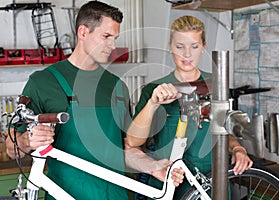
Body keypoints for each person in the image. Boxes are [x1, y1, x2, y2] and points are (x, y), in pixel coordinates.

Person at [6, 1, 183, 199]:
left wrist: (153, 167)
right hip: (66, 194)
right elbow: (12, 149)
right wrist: (27, 140)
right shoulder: (44, 83)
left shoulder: (116, 86)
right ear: (83, 32)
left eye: (115, 38)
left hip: (115, 195)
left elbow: (124, 151)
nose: (113, 46)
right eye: (106, 37)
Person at [126, 15, 253, 199]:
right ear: (170, 46)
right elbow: (133, 142)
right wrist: (153, 103)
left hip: (212, 185)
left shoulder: (216, 84)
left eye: (194, 46)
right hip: (169, 185)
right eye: (180, 46)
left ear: (203, 46)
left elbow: (225, 130)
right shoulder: (154, 90)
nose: (187, 54)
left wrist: (238, 149)